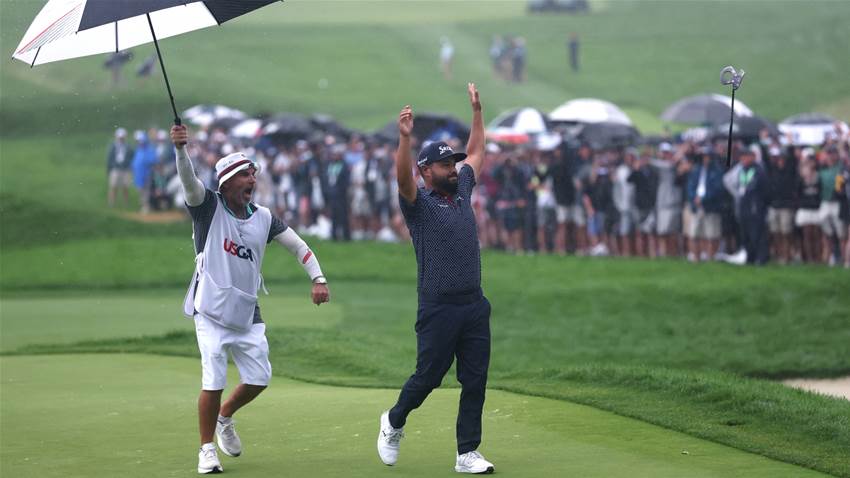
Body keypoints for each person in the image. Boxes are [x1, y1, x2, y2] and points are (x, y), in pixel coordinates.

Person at [169, 125, 330, 474]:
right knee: (213, 379)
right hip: (209, 311)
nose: (252, 179)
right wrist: (181, 150)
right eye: (244, 174)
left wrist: (318, 278)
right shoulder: (207, 207)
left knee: (259, 378)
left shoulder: (264, 218)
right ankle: (206, 449)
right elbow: (189, 182)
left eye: (253, 174)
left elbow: (299, 247)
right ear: (226, 182)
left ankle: (225, 416)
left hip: (246, 312)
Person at [377, 83, 495, 474]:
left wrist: (477, 113)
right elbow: (402, 181)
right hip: (438, 307)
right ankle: (394, 420)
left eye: (452, 164)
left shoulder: (462, 191)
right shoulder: (419, 205)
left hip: (473, 304)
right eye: (445, 165)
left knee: (475, 380)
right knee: (428, 377)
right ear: (426, 171)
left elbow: (476, 152)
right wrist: (404, 139)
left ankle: (467, 452)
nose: (453, 169)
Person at [107, 127, 133, 207]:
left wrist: (129, 166)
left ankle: (126, 203)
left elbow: (131, 157)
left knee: (125, 187)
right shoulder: (113, 146)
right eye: (120, 137)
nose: (121, 139)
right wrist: (110, 168)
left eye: (122, 137)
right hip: (115, 168)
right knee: (113, 186)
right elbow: (110, 158)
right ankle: (111, 203)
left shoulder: (128, 146)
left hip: (125, 169)